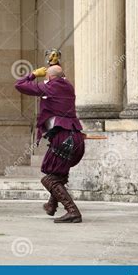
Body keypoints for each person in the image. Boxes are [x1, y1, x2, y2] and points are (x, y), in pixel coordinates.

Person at [14, 65, 85, 223]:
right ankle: (51, 205)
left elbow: (19, 85)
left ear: (50, 77)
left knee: (49, 179)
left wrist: (33, 74)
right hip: (76, 136)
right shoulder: (68, 86)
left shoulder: (51, 87)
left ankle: (72, 211)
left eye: (46, 75)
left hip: (63, 137)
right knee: (59, 175)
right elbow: (60, 78)